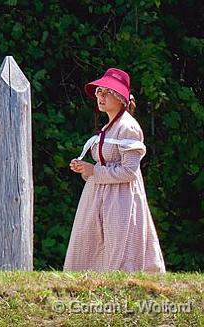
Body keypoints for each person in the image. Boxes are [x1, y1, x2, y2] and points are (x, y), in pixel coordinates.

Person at [63, 68, 166, 273]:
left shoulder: (128, 127)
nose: (100, 97)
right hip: (99, 195)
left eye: (107, 92)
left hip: (121, 197)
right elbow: (103, 163)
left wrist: (94, 172)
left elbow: (129, 171)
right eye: (99, 92)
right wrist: (85, 169)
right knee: (92, 241)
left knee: (119, 244)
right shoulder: (109, 127)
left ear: (120, 97)